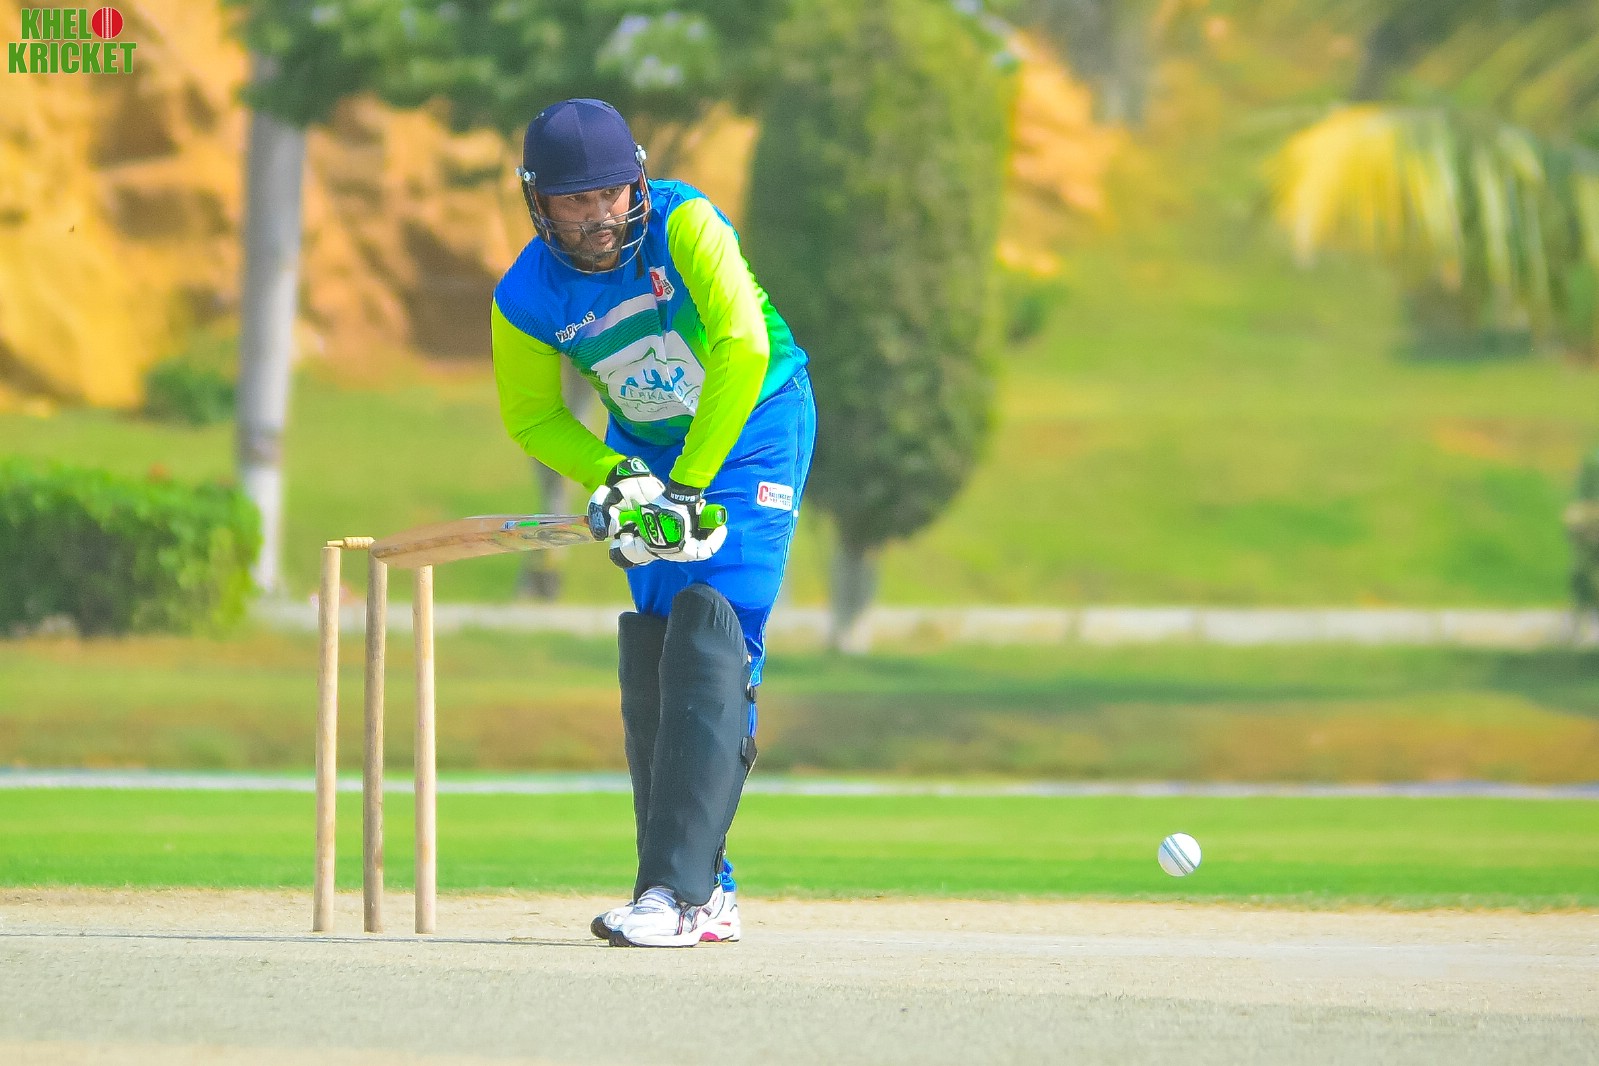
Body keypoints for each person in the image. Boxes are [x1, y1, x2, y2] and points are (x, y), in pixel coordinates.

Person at [490, 98, 816, 947]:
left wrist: (691, 486)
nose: (600, 215)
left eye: (612, 193)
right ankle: (705, 893)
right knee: (663, 646)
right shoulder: (525, 294)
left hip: (754, 426)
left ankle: (673, 893)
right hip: (646, 450)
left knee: (716, 630)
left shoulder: (685, 222)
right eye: (575, 201)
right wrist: (621, 476)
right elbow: (531, 417)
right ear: (536, 201)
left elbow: (741, 344)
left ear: (637, 181)